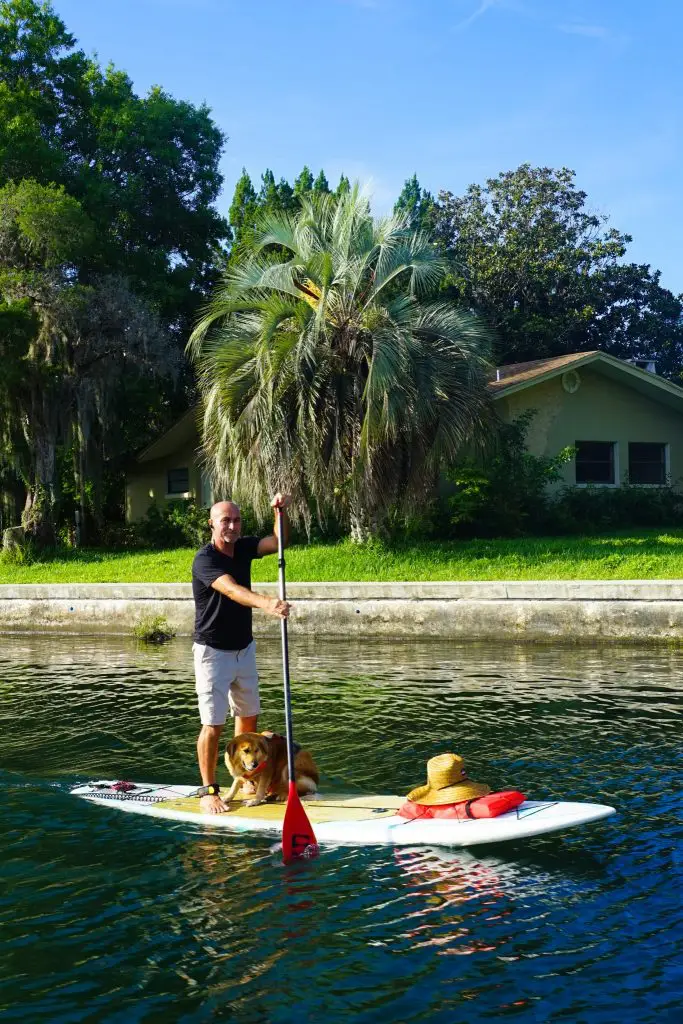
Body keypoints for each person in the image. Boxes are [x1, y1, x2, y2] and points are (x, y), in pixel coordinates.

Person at [192, 493, 291, 814]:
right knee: (213, 724)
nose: (232, 526)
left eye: (236, 520)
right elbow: (232, 590)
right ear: (212, 524)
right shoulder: (205, 560)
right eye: (225, 521)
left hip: (244, 648)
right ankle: (209, 790)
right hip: (212, 652)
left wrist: (281, 512)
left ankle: (248, 777)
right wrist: (267, 603)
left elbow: (278, 542)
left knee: (248, 719)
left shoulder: (244, 547)